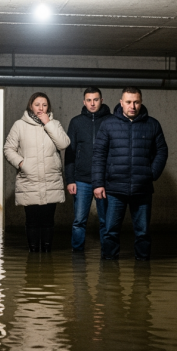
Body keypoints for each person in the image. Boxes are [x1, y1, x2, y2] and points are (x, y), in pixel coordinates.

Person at [92, 87, 168, 260]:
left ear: (141, 102)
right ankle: (109, 271)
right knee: (110, 232)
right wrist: (98, 183)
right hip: (114, 189)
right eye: (128, 102)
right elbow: (98, 155)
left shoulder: (152, 124)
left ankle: (142, 273)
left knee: (142, 233)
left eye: (136, 102)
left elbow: (162, 151)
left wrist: (151, 173)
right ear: (121, 103)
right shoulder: (108, 124)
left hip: (142, 190)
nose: (132, 106)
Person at [4, 92, 71, 252]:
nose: (41, 108)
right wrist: (21, 163)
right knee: (32, 221)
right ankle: (33, 253)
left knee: (48, 220)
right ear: (30, 106)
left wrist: (48, 123)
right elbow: (8, 149)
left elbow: (64, 144)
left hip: (51, 180)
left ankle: (47, 252)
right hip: (29, 180)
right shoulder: (19, 125)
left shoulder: (54, 123)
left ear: (48, 107)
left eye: (44, 105)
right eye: (37, 104)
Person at [64, 87, 112, 253]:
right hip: (81, 180)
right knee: (79, 221)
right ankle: (77, 254)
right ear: (84, 102)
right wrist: (70, 179)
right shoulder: (76, 122)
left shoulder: (111, 121)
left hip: (105, 181)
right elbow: (69, 153)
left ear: (101, 100)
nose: (92, 103)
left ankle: (108, 254)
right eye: (89, 100)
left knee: (106, 221)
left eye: (96, 99)